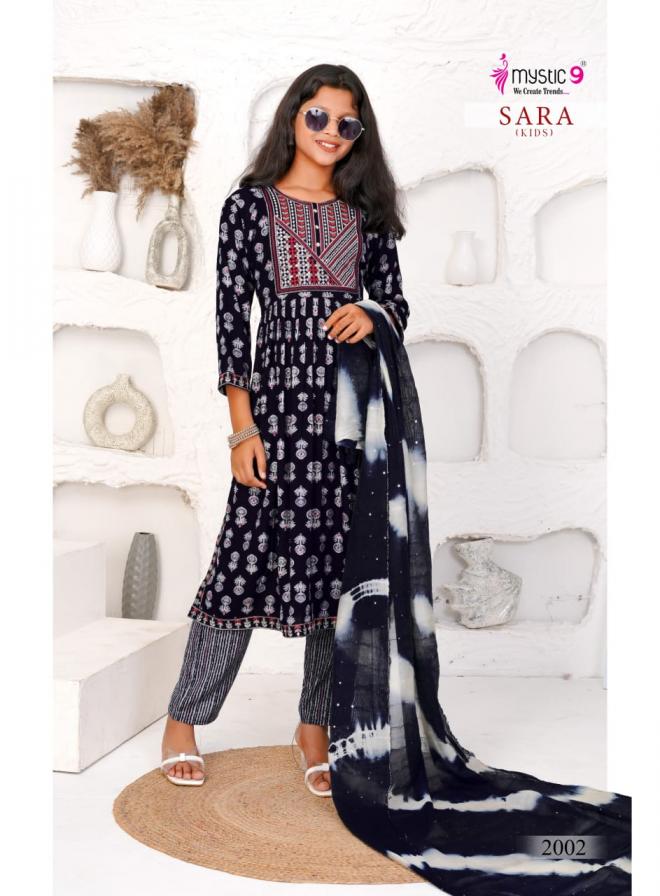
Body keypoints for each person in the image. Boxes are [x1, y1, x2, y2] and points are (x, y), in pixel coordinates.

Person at [160, 63, 410, 792]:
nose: (331, 132)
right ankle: (183, 719)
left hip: (350, 415)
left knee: (338, 571)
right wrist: (243, 430)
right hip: (275, 413)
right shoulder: (249, 206)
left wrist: (371, 313)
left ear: (359, 134)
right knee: (240, 565)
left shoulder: (365, 212)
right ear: (293, 119)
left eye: (347, 123)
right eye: (318, 117)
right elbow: (230, 320)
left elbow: (396, 301)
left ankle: (314, 727)